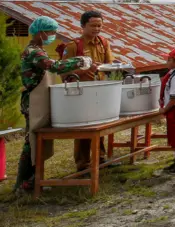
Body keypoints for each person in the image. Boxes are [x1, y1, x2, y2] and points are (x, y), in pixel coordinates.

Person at [15, 17, 95, 192]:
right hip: (33, 102)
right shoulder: (34, 52)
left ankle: (32, 181)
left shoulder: (39, 49)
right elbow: (54, 67)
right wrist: (79, 61)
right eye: (50, 32)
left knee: (37, 142)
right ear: (39, 32)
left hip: (40, 100)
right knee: (32, 142)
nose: (52, 35)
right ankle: (23, 184)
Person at [63, 10, 114, 172]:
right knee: (83, 128)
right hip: (81, 93)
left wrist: (105, 69)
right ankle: (83, 164)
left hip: (100, 90)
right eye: (93, 25)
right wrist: (84, 70)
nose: (96, 28)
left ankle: (100, 158)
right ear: (83, 26)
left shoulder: (104, 43)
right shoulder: (73, 46)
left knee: (100, 125)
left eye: (99, 25)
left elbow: (109, 65)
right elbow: (63, 73)